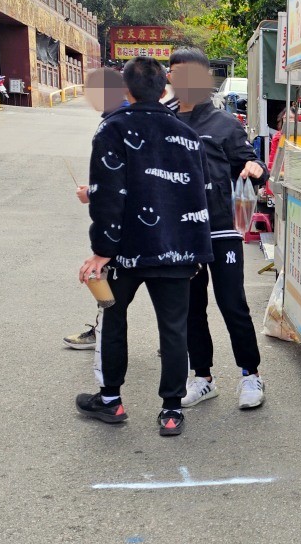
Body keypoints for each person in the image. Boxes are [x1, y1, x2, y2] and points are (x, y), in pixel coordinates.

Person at [76, 56, 213, 437]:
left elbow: (107, 195)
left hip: (125, 250)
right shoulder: (187, 136)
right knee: (173, 329)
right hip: (175, 250)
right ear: (165, 89)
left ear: (125, 89)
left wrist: (102, 250)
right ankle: (171, 410)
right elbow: (197, 197)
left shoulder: (112, 130)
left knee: (113, 320)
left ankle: (110, 401)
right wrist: (197, 251)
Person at [166, 47, 269, 410]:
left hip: (222, 228)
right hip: (183, 233)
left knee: (232, 304)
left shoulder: (225, 124)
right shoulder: (165, 121)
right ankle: (203, 378)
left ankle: (250, 375)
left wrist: (257, 169)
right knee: (192, 307)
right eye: (173, 74)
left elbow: (251, 162)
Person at [64, 68, 132, 351]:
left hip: (127, 227)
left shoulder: (117, 124)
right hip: (141, 225)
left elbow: (126, 182)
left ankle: (106, 342)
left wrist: (92, 194)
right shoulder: (124, 118)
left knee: (111, 291)